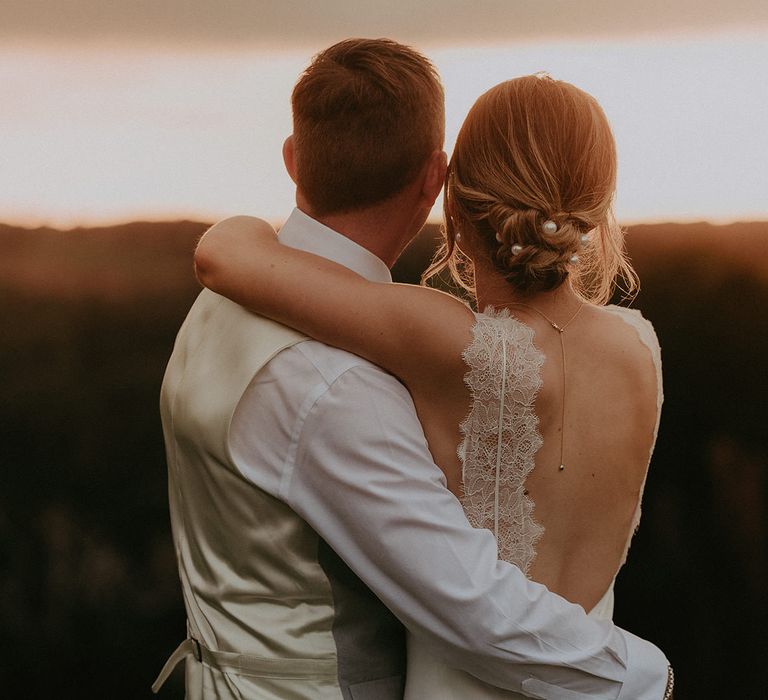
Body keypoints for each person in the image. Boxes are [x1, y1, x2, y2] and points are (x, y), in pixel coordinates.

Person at [158, 38, 672, 699]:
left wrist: (641, 676)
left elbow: (227, 255)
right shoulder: (640, 347)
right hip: (578, 671)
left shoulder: (435, 344)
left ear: (452, 198)